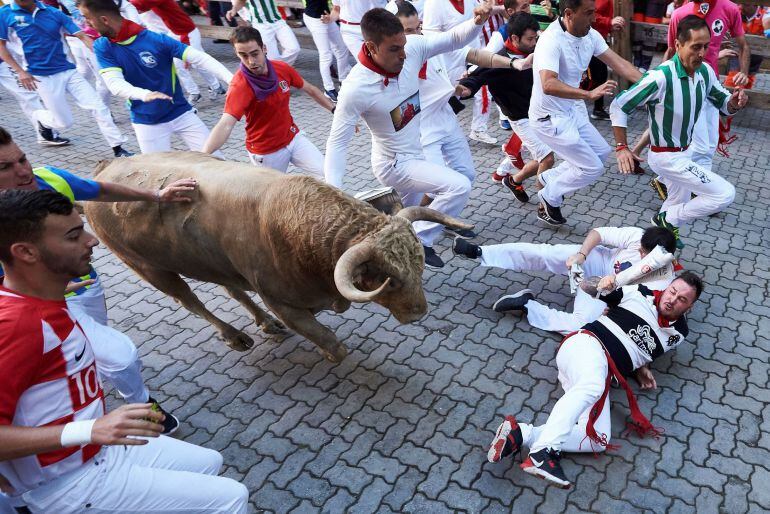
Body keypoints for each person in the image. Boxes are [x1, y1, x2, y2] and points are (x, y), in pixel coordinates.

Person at [0, 189, 249, 513]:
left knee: (209, 461)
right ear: (26, 252)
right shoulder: (17, 327)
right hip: (68, 483)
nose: (93, 240)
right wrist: (91, 428)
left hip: (96, 448)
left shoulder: (44, 301)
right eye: (74, 236)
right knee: (230, 498)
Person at [0, 126, 196, 433]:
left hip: (83, 287)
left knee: (94, 342)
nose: (23, 171)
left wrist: (156, 195)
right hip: (29, 309)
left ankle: (86, 376)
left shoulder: (49, 179)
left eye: (22, 159)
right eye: (6, 168)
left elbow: (99, 190)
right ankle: (140, 404)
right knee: (121, 356)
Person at [487, 271, 704, 489]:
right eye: (672, 291)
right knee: (592, 385)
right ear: (667, 288)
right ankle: (543, 452)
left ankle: (520, 434)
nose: (672, 299)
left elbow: (643, 347)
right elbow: (591, 288)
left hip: (597, 373)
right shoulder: (640, 293)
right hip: (586, 346)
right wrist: (606, 283)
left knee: (597, 439)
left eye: (682, 299)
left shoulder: (679, 333)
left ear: (689, 307)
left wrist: (642, 369)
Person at [325, 4, 495, 268]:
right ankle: (420, 243)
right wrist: (333, 191)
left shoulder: (412, 48)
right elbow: (337, 142)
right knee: (458, 185)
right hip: (395, 163)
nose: (403, 55)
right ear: (371, 47)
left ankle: (378, 258)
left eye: (403, 45)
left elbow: (452, 40)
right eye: (394, 49)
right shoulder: (356, 88)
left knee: (400, 219)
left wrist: (475, 22)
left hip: (417, 152)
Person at [611, 15, 747, 249]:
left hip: (686, 153)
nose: (702, 53)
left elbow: (722, 102)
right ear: (678, 45)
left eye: (706, 46)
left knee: (676, 202)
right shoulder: (660, 77)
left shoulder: (705, 71)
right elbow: (620, 105)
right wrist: (622, 147)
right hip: (666, 157)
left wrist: (734, 102)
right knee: (724, 194)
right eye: (696, 47)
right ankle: (666, 221)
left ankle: (652, 249)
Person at [394, 0, 518, 214]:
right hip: (422, 130)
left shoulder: (432, 42)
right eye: (408, 31)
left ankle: (433, 219)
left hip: (447, 120)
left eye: (417, 28)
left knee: (466, 175)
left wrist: (514, 63)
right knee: (435, 186)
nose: (416, 34)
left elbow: (474, 55)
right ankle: (415, 224)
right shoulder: (393, 61)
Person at [528, 0, 641, 226]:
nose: (594, 18)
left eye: (595, 12)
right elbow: (548, 84)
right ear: (569, 14)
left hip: (572, 110)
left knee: (601, 151)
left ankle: (549, 177)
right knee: (592, 168)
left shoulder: (590, 34)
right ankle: (549, 197)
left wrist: (653, 85)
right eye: (589, 13)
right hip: (549, 118)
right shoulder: (550, 41)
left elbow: (619, 63)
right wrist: (588, 95)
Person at [454, 224, 677, 333]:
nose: (641, 256)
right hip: (599, 262)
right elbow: (599, 233)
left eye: (646, 255)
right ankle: (480, 252)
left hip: (608, 292)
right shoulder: (638, 236)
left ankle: (528, 306)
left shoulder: (664, 279)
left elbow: (646, 308)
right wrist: (581, 254)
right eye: (641, 250)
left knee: (582, 326)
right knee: (547, 253)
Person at [79, 0, 233, 154]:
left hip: (182, 113)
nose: (85, 24)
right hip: (146, 123)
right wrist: (145, 95)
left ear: (104, 20)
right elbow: (115, 84)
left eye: (87, 18)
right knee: (157, 174)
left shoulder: (156, 39)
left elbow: (199, 58)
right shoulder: (103, 46)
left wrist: (231, 80)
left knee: (216, 160)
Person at [0, 0, 131, 157]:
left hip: (68, 71)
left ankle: (118, 148)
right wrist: (20, 71)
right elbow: (1, 45)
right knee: (64, 122)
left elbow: (82, 36)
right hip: (41, 76)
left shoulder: (53, 13)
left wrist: (105, 56)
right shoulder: (4, 14)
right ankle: (40, 118)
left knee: (99, 108)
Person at [203, 26, 333, 177]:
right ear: (236, 54)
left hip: (292, 138)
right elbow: (225, 124)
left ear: (264, 48)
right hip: (266, 152)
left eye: (254, 54)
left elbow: (310, 89)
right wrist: (203, 155)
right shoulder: (239, 86)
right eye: (243, 55)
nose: (251, 61)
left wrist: (334, 110)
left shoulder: (282, 69)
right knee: (275, 198)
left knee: (330, 174)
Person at [458, 12, 554, 201]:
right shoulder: (498, 60)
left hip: (540, 113)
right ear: (514, 38)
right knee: (547, 158)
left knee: (542, 156)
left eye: (536, 37)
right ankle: (546, 202)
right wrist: (466, 89)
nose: (534, 42)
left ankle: (514, 180)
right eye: (530, 39)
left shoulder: (534, 50)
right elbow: (475, 77)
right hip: (520, 119)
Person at [664, 0, 749, 172]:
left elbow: (743, 45)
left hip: (711, 81)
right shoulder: (679, 14)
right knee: (699, 145)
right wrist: (665, 84)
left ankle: (694, 184)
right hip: (685, 83)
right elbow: (672, 50)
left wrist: (744, 73)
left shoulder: (730, 9)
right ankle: (668, 179)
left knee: (709, 143)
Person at [423, 0, 502, 145]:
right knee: (449, 98)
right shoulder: (434, 3)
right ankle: (436, 133)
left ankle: (478, 129)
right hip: (449, 59)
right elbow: (430, 37)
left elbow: (477, 19)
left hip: (473, 54)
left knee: (483, 91)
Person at [129, 0, 228, 103]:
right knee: (179, 65)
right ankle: (197, 92)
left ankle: (215, 87)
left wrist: (118, 5)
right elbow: (139, 7)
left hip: (186, 32)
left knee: (196, 63)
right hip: (175, 32)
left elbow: (139, 4)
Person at [303, 0, 352, 102]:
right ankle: (328, 89)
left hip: (327, 17)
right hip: (315, 19)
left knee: (342, 48)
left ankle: (343, 80)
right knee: (326, 55)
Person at [227, 0, 301, 65]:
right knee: (272, 57)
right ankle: (278, 73)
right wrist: (234, 10)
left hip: (278, 20)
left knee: (294, 49)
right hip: (261, 25)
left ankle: (280, 69)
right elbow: (241, 1)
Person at [586, 0, 624, 121]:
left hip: (599, 37)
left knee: (600, 74)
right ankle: (596, 109)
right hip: (589, 39)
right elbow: (588, 13)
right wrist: (609, 22)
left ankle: (598, 108)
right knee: (597, 74)